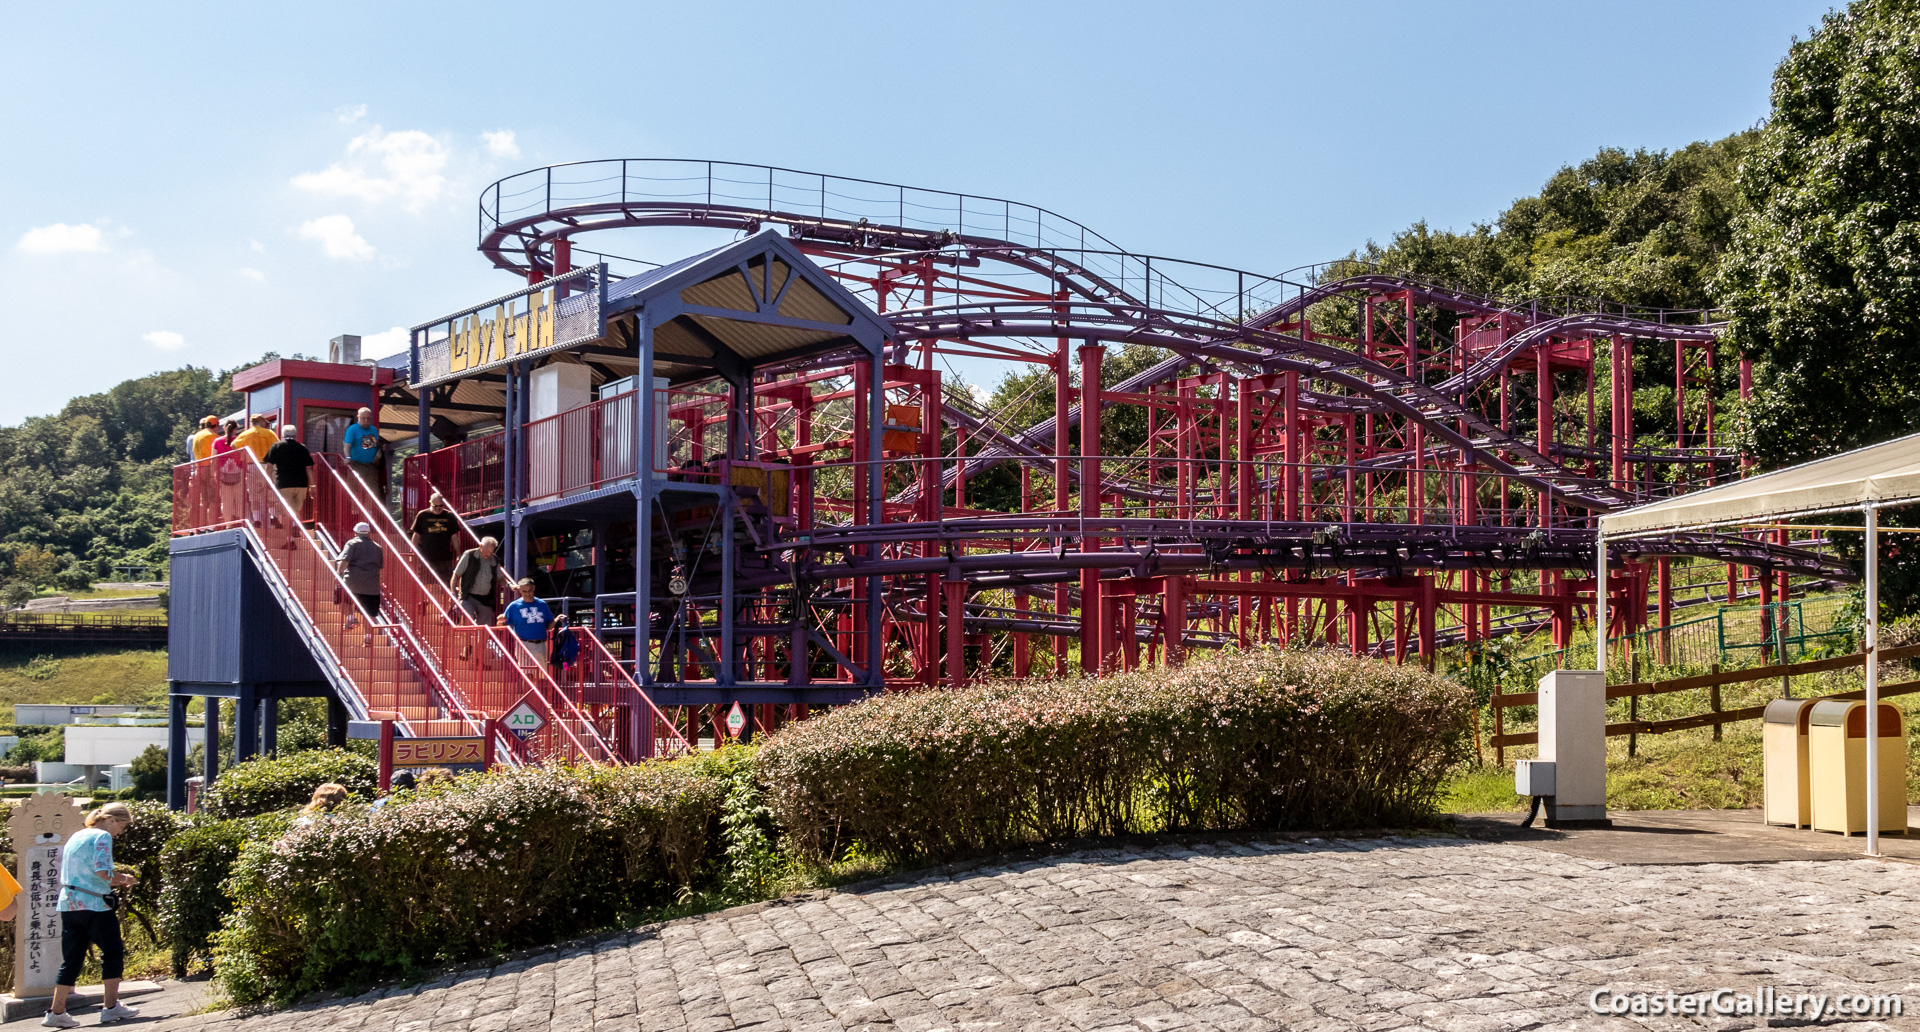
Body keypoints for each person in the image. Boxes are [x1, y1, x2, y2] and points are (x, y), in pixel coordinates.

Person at [43, 802, 139, 1028]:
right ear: (112, 820)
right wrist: (126, 879)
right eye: (122, 826)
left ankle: (56, 1012)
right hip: (94, 904)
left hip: (69, 903)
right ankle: (110, 1007)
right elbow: (102, 872)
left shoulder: (77, 835)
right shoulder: (102, 837)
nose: (120, 833)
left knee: (72, 958)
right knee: (113, 951)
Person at [264, 424, 315, 523]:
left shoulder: (276, 446)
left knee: (287, 509)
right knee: (297, 509)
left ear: (283, 435)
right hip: (301, 484)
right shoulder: (302, 448)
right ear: (295, 435)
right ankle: (295, 525)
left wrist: (268, 482)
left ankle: (289, 535)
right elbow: (309, 468)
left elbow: (269, 466)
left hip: (284, 483)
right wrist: (312, 485)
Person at [409, 493, 460, 586]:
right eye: (435, 506)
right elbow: (416, 536)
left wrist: (459, 554)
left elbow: (454, 537)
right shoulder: (422, 515)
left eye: (440, 506)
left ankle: (445, 600)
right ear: (430, 503)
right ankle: (425, 600)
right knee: (426, 582)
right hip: (427, 556)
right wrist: (412, 552)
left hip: (444, 557)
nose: (438, 508)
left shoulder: (449, 516)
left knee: (446, 582)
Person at [336, 522, 384, 618]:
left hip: (352, 582)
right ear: (369, 533)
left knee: (340, 595)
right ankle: (368, 633)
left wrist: (338, 574)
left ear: (355, 533)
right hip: (372, 586)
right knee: (369, 614)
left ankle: (350, 618)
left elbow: (344, 562)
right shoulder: (378, 548)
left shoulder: (351, 544)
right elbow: (379, 567)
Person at [500, 578, 554, 660]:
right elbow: (501, 625)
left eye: (530, 591)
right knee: (527, 672)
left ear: (534, 588)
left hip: (541, 644)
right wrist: (500, 621)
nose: (527, 594)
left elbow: (550, 624)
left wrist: (557, 620)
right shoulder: (513, 606)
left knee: (541, 672)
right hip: (523, 645)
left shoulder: (542, 604)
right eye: (524, 591)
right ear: (520, 591)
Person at [450, 536, 500, 624]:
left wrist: (510, 585)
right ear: (480, 546)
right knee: (469, 617)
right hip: (468, 595)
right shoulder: (469, 555)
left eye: (491, 552)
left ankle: (483, 638)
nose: (488, 554)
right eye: (487, 551)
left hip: (486, 598)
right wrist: (453, 593)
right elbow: (456, 574)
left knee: (485, 625)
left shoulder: (494, 559)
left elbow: (501, 578)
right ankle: (468, 637)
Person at [343, 407, 387, 498]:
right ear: (358, 417)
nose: (366, 420)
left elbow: (373, 445)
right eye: (363, 418)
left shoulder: (373, 430)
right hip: (357, 464)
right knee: (355, 490)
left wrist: (380, 451)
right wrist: (347, 457)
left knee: (374, 492)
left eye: (368, 418)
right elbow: (347, 445)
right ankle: (353, 511)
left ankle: (370, 511)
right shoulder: (352, 429)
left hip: (371, 466)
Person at [212, 419, 246, 522]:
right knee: (240, 500)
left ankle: (228, 524)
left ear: (224, 428)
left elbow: (213, 459)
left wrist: (213, 474)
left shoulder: (217, 442)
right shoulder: (239, 441)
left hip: (223, 474)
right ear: (235, 429)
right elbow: (243, 458)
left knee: (226, 501)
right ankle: (240, 521)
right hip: (238, 473)